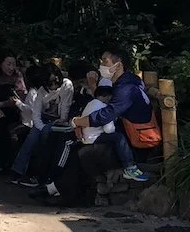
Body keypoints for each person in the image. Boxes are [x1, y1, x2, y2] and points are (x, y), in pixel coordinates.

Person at [70, 48, 153, 183]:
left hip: (136, 140)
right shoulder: (127, 82)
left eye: (105, 61)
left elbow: (107, 114)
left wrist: (77, 122)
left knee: (79, 151)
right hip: (128, 133)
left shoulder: (126, 87)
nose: (101, 65)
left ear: (118, 64)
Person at [11, 62, 74, 187]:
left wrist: (61, 119)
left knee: (45, 140)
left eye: (56, 82)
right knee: (32, 138)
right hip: (43, 120)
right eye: (50, 83)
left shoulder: (67, 85)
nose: (54, 86)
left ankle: (39, 176)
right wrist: (42, 127)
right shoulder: (41, 91)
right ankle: (18, 170)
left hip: (60, 121)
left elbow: (65, 107)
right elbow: (36, 113)